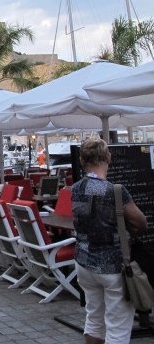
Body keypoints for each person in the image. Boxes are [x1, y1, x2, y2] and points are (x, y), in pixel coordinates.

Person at [72, 137, 147, 344]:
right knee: (117, 328)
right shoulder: (114, 191)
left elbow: (92, 203)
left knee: (94, 319)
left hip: (84, 261)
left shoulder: (76, 188)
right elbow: (141, 223)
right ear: (109, 157)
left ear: (81, 160)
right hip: (113, 265)